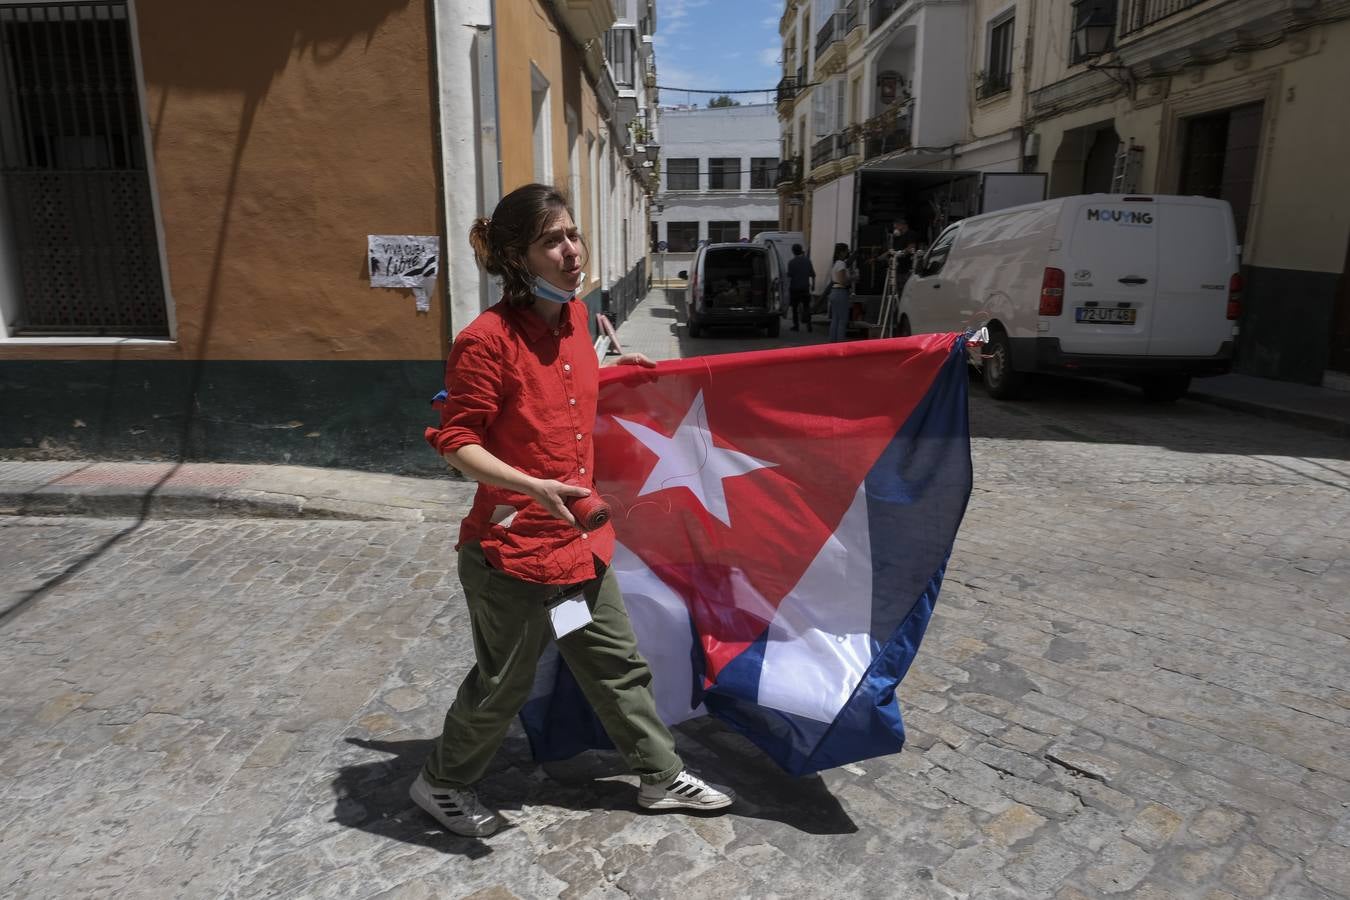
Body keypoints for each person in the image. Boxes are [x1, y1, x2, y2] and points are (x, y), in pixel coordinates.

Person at [414, 183, 735, 838]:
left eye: (572, 234)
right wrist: (531, 487)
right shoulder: (486, 341)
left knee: (611, 661)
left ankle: (657, 773)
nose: (571, 251)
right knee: (504, 684)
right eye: (550, 241)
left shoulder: (578, 323)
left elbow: (562, 393)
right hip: (512, 564)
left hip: (575, 560)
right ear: (517, 258)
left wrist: (614, 366)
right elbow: (456, 441)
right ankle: (440, 783)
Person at [786, 243, 815, 332]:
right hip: (805, 288)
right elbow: (813, 274)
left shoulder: (791, 263)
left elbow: (789, 276)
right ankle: (809, 325)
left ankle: (796, 326)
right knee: (807, 307)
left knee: (794, 308)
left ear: (793, 252)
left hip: (794, 289)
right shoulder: (807, 261)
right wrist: (813, 285)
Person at [827, 242, 853, 343]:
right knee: (842, 320)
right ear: (842, 252)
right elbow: (842, 281)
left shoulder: (835, 263)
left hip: (834, 291)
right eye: (846, 251)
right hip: (840, 292)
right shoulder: (842, 264)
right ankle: (840, 343)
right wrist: (852, 278)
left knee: (835, 319)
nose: (847, 253)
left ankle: (832, 342)